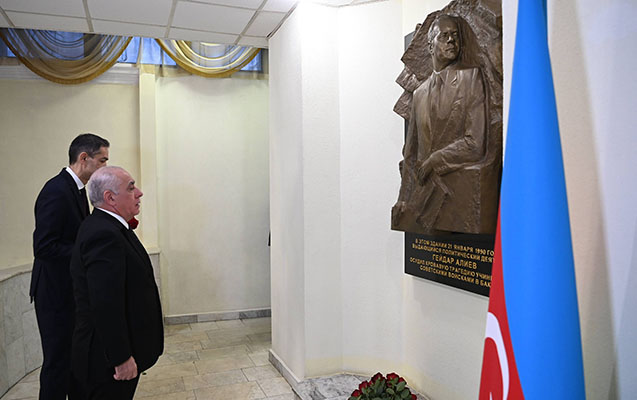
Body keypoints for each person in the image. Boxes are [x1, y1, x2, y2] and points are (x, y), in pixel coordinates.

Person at [392, 15, 497, 235]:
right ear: (431, 46)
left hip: (458, 198)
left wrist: (434, 160)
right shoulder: (419, 94)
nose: (451, 40)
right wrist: (403, 198)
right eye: (445, 36)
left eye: (455, 36)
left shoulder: (471, 79)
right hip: (424, 201)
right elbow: (411, 154)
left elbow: (475, 143)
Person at [70, 166, 163, 399]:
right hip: (105, 362)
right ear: (110, 198)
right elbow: (105, 303)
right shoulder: (103, 234)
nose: (139, 193)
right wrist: (120, 358)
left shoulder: (111, 226)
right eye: (131, 188)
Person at [31, 133, 109, 400]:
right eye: (102, 160)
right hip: (54, 293)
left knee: (75, 359)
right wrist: (86, 251)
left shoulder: (77, 189)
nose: (105, 167)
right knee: (57, 363)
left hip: (69, 290)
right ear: (84, 158)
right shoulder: (56, 190)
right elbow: (44, 247)